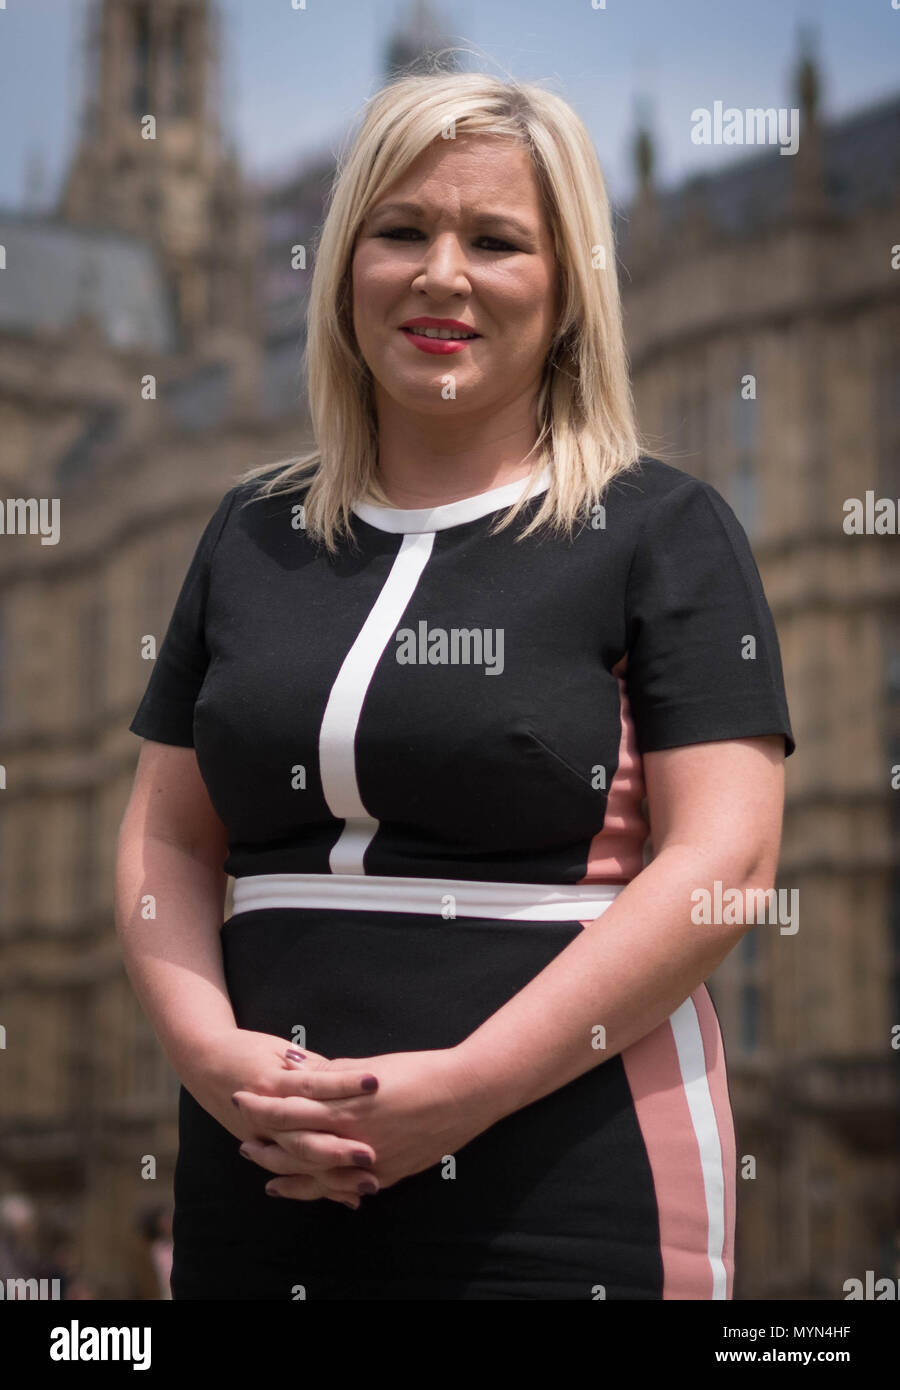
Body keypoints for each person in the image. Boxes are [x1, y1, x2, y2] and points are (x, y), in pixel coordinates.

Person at [115, 70, 795, 1300]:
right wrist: (213, 1058)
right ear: (340, 268)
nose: (442, 274)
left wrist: (462, 1089)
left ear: (568, 284)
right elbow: (167, 837)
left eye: (495, 239)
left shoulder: (663, 528)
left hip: (565, 1192)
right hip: (258, 1184)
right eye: (401, 230)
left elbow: (725, 868)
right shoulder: (247, 531)